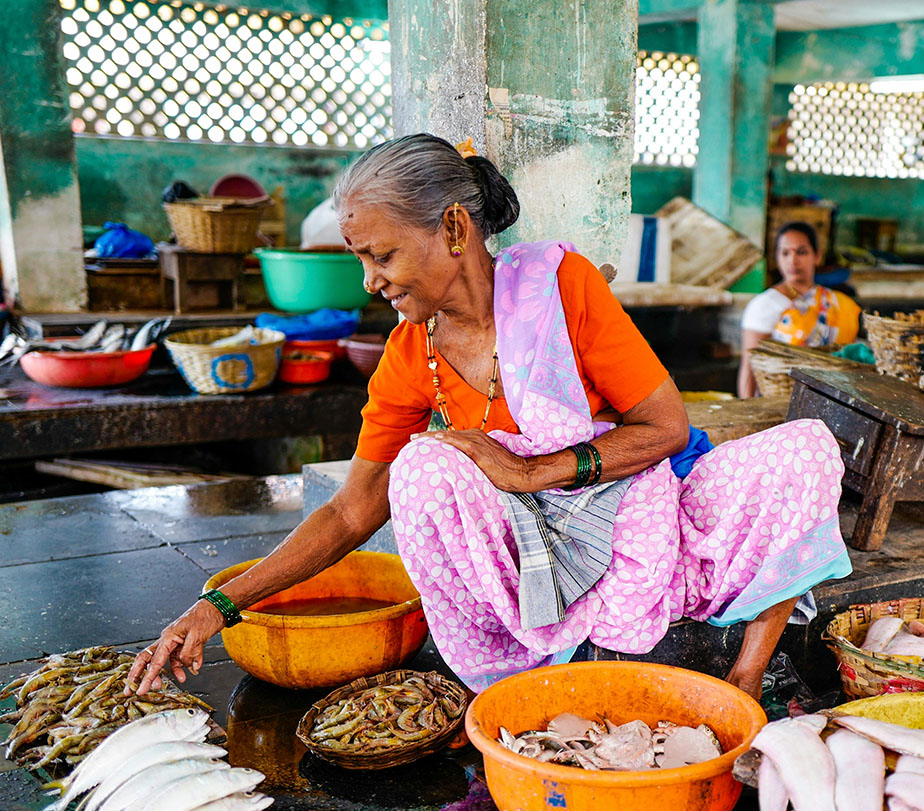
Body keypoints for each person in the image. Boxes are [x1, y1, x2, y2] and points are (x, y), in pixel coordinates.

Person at [130, 134, 851, 702]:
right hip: (530, 562)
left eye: (381, 255)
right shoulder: (411, 354)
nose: (370, 281)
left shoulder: (560, 287)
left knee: (806, 451)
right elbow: (352, 511)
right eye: (361, 260)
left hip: (639, 524)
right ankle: (518, 672)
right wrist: (219, 605)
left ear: (452, 227)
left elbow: (664, 429)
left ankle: (746, 679)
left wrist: (536, 471)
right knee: (422, 467)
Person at [738, 221, 861, 398]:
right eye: (785, 253)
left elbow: (852, 357)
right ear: (777, 258)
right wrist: (747, 406)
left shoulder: (840, 303)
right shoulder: (764, 305)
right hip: (781, 400)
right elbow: (750, 367)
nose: (793, 260)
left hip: (836, 398)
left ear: (817, 256)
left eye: (801, 252)